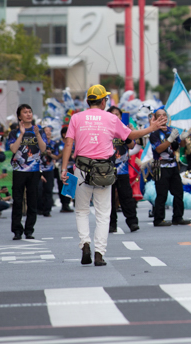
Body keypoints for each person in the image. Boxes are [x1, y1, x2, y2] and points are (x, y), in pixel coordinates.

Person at [61, 85, 157, 267]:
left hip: (81, 168)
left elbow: (68, 144)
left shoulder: (76, 118)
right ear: (103, 100)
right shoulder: (111, 118)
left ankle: (85, 244)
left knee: (81, 210)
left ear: (88, 101)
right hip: (104, 170)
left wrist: (64, 169)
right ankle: (99, 253)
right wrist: (150, 128)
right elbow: (131, 136)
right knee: (103, 213)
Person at [6, 104, 46, 240]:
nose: (28, 114)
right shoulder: (14, 132)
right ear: (19, 116)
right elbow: (13, 149)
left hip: (34, 170)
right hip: (18, 170)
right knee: (17, 200)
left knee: (32, 200)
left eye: (30, 112)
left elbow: (43, 148)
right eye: (25, 112)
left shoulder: (38, 130)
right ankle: (17, 230)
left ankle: (29, 230)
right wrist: (22, 134)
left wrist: (38, 134)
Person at [149, 108, 189, 227]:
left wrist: (183, 138)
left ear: (167, 118)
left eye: (164, 115)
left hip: (173, 166)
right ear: (155, 119)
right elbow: (159, 149)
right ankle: (158, 219)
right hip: (160, 167)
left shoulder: (172, 130)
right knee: (162, 194)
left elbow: (180, 146)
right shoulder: (154, 133)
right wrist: (170, 139)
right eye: (159, 115)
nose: (162, 117)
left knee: (178, 192)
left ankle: (178, 217)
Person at [107, 105, 139, 233]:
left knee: (127, 198)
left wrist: (125, 135)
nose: (115, 116)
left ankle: (132, 223)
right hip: (107, 171)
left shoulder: (125, 130)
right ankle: (111, 224)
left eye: (118, 114)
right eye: (112, 114)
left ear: (121, 116)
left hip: (122, 171)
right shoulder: (104, 129)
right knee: (109, 199)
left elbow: (132, 145)